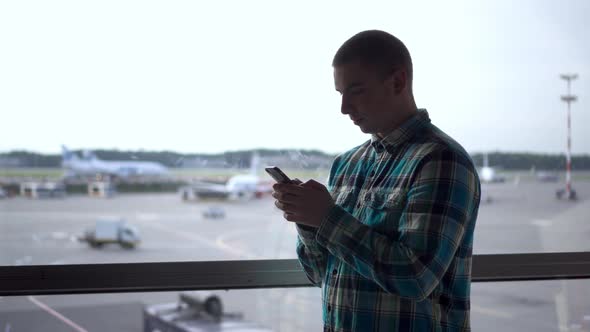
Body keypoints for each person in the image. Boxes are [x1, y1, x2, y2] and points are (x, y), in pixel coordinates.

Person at [272, 30, 481, 331]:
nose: (344, 108)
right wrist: (307, 220)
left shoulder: (440, 160)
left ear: (397, 82)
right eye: (340, 93)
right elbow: (321, 274)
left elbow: (415, 276)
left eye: (355, 91)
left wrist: (327, 218)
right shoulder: (346, 165)